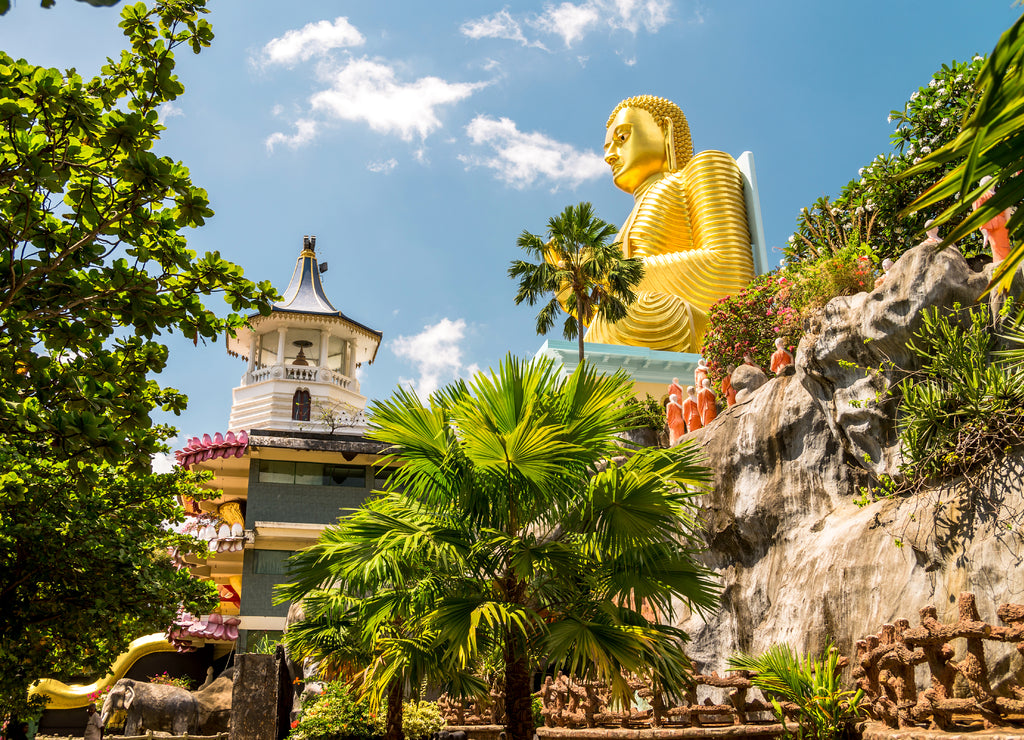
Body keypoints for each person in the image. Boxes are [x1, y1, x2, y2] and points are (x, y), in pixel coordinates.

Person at [583, 95, 756, 353]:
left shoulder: (701, 169)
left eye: (621, 138)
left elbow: (730, 268)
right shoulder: (628, 221)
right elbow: (618, 302)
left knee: (628, 314)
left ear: (665, 129)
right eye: (607, 148)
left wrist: (613, 272)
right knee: (615, 318)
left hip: (701, 325)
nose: (609, 156)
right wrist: (575, 293)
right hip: (642, 320)